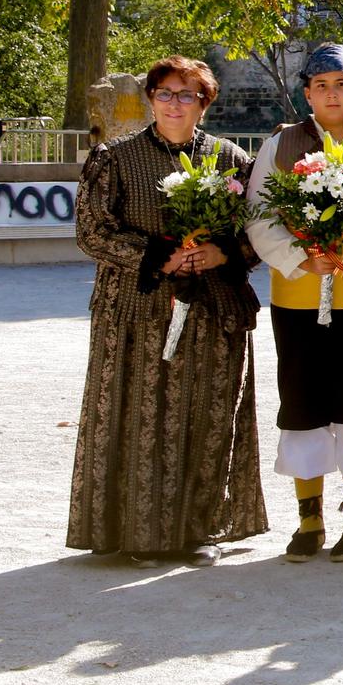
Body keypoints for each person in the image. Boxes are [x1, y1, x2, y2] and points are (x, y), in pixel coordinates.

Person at [68, 55, 267, 566]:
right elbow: (92, 232)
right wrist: (160, 255)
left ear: (204, 102)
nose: (175, 103)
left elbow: (260, 231)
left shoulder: (231, 161)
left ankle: (198, 530)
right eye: (165, 93)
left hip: (212, 311)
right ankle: (139, 534)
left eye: (187, 94)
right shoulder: (115, 157)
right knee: (140, 416)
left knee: (207, 417)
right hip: (136, 312)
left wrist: (227, 252)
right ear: (151, 99)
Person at [244, 43, 343, 562]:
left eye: (342, 85)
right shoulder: (282, 146)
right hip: (299, 294)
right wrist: (299, 259)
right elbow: (259, 217)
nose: (332, 94)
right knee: (303, 403)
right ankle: (308, 519)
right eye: (321, 86)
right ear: (306, 93)